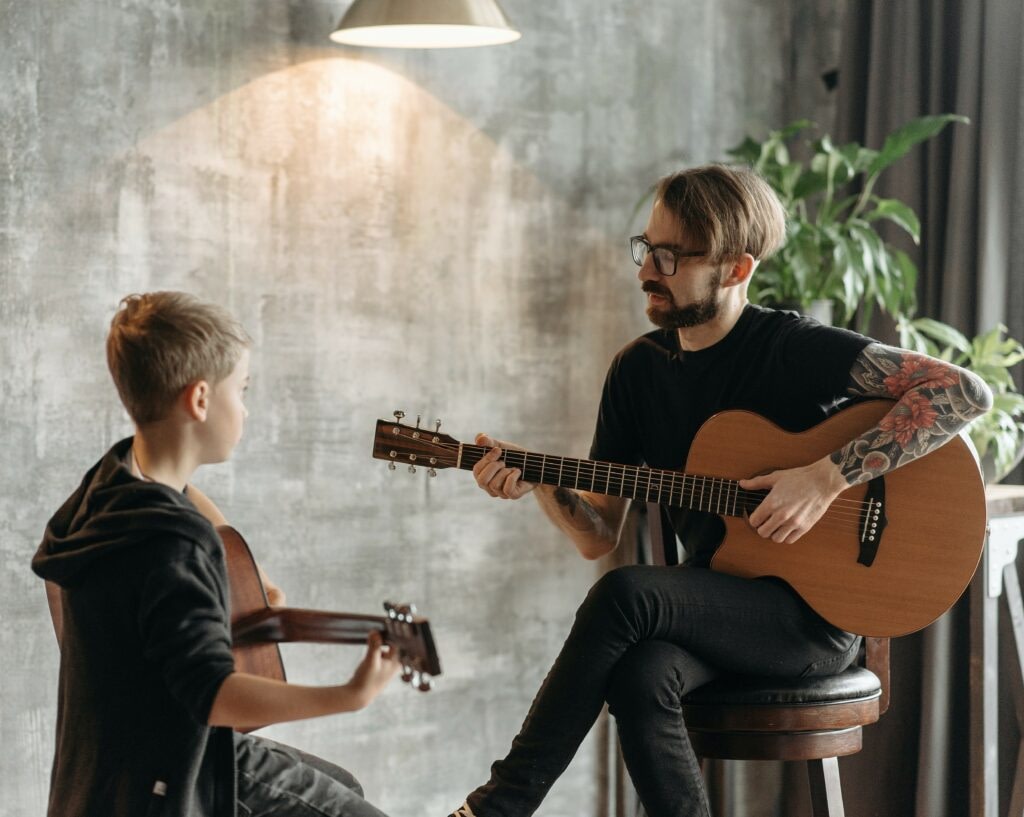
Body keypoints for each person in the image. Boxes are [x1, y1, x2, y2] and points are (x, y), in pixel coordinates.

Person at [447, 164, 993, 817]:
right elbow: (598, 536)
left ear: (737, 269)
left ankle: (499, 804)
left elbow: (963, 391)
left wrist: (826, 477)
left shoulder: (791, 348)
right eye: (647, 247)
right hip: (716, 608)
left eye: (672, 255)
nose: (648, 268)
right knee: (642, 671)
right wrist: (543, 484)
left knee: (627, 594)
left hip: (811, 620)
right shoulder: (637, 372)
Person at [32, 291, 401, 817]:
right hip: (176, 773)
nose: (245, 408)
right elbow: (213, 694)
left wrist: (244, 563)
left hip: (102, 774)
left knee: (343, 783)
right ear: (201, 400)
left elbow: (184, 498)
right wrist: (348, 695)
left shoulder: (108, 489)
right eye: (242, 390)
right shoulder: (173, 543)